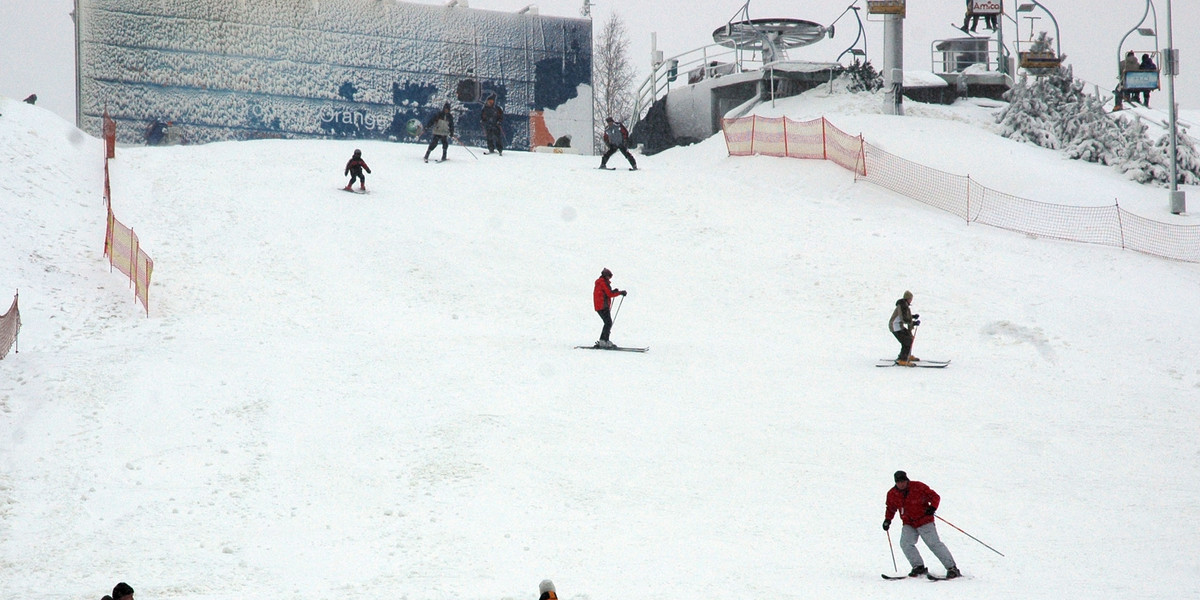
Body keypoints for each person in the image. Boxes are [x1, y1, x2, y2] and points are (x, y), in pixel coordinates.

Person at [883, 471, 961, 579]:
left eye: (903, 481)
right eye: (898, 482)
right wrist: (887, 520)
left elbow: (935, 497)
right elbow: (890, 508)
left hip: (924, 520)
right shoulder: (892, 494)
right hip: (908, 523)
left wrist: (933, 507)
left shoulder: (918, 487)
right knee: (905, 543)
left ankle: (952, 568)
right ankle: (918, 567)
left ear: (907, 480)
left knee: (934, 544)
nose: (901, 484)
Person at [592, 267, 626, 348]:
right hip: (603, 305)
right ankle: (604, 341)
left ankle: (604, 340)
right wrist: (620, 293)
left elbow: (607, 293)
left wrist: (615, 292)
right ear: (605, 276)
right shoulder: (603, 282)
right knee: (608, 323)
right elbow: (609, 294)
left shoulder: (600, 282)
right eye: (609, 276)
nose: (609, 278)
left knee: (607, 322)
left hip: (600, 305)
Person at [888, 290, 919, 365]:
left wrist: (913, 317)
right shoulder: (902, 305)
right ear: (908, 298)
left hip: (899, 326)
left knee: (910, 337)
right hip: (895, 326)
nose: (911, 300)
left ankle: (907, 355)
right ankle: (903, 359)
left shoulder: (904, 304)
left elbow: (906, 316)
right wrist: (913, 322)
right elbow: (904, 318)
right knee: (906, 341)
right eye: (911, 298)